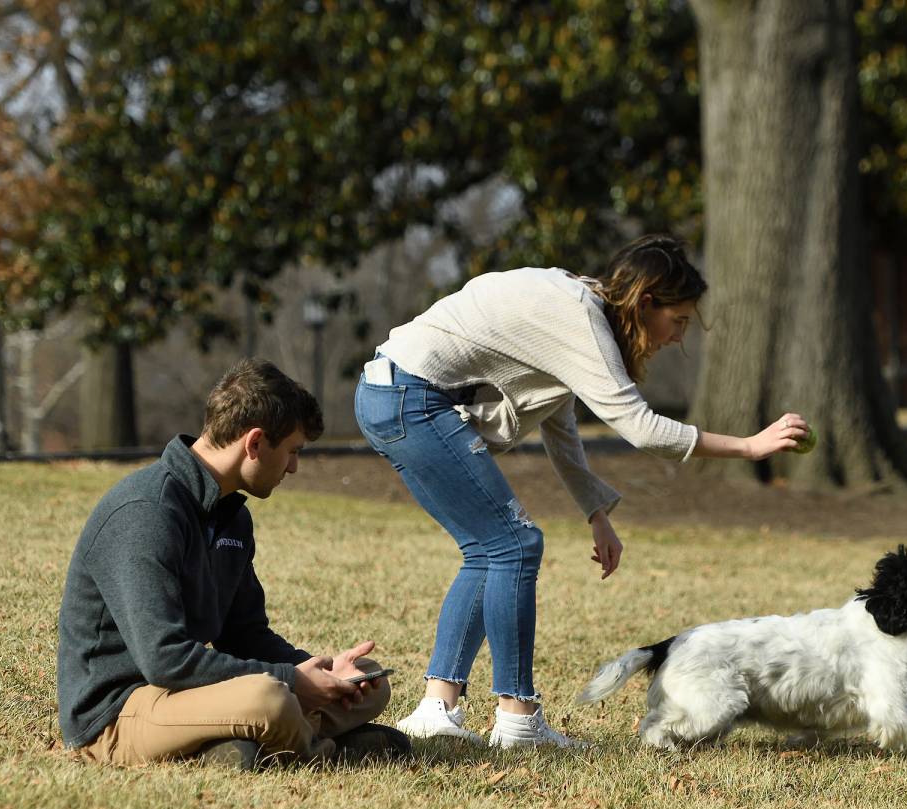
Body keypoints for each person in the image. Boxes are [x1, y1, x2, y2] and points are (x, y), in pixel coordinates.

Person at [355, 234, 810, 750]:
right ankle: (518, 719)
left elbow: (559, 419)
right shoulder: (581, 315)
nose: (678, 336)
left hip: (390, 394)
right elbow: (643, 429)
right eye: (678, 319)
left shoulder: (578, 307)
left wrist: (596, 510)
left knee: (490, 549)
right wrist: (750, 447)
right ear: (645, 303)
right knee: (513, 545)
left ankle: (438, 709)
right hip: (410, 399)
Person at [57, 358, 409, 769]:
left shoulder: (232, 516)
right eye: (293, 451)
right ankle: (325, 754)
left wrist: (320, 671)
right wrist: (293, 682)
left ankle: (241, 748)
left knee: (369, 680)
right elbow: (165, 660)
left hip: (186, 695)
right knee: (269, 698)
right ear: (255, 443)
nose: (294, 466)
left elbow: (244, 634)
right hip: (118, 713)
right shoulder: (145, 513)